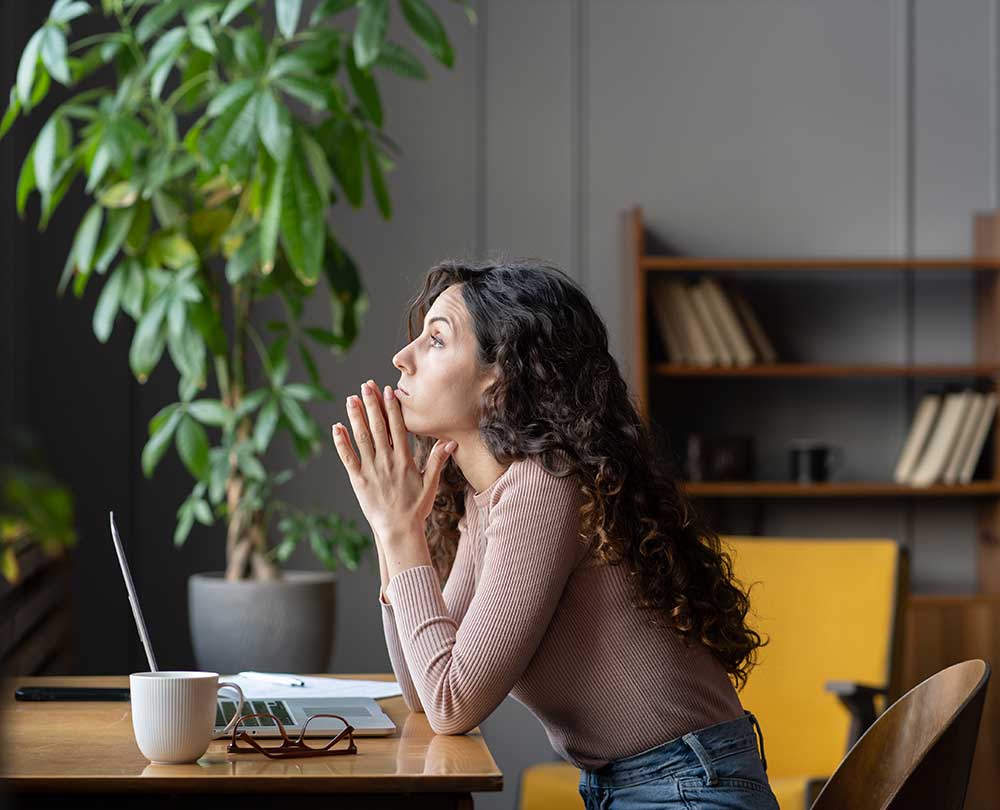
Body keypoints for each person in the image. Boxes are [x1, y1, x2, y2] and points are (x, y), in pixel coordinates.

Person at [330, 258, 779, 809]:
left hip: (687, 790)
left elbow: (451, 702)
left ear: (500, 375)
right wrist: (390, 527)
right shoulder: (491, 499)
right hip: (651, 785)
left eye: (437, 340)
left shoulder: (544, 485)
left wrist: (400, 531)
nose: (403, 357)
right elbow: (425, 692)